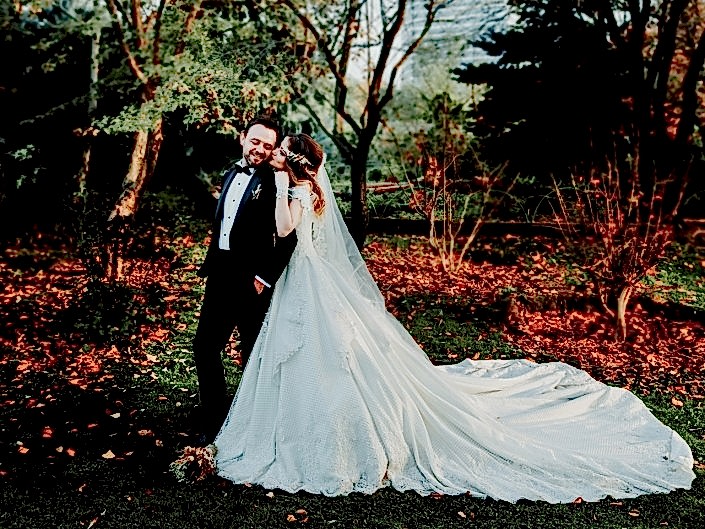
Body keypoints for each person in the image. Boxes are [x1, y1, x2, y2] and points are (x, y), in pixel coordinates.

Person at [209, 134, 694, 502]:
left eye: (281, 152)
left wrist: (280, 186)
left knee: (326, 354)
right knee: (321, 354)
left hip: (308, 280)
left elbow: (284, 231)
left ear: (293, 163)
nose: (274, 155)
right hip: (305, 278)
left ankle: (332, 434)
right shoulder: (312, 188)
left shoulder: (296, 191)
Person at [192, 117, 297, 443]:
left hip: (251, 282)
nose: (260, 149)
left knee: (253, 353)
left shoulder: (276, 180)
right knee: (205, 347)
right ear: (242, 138)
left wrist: (263, 278)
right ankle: (214, 418)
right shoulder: (230, 173)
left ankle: (259, 422)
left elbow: (288, 238)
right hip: (219, 276)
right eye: (255, 141)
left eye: (268, 145)